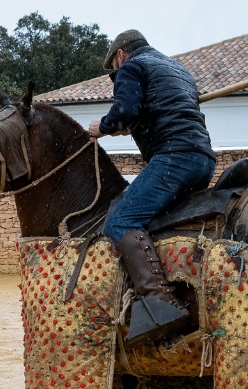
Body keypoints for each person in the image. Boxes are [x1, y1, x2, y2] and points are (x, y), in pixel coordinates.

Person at [88, 29, 217, 348]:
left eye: (113, 69)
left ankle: (160, 303)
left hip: (174, 159)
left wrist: (104, 127)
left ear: (120, 55)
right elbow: (156, 111)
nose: (115, 74)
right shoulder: (178, 70)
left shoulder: (131, 67)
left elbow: (125, 111)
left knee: (120, 220)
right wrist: (129, 126)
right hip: (202, 160)